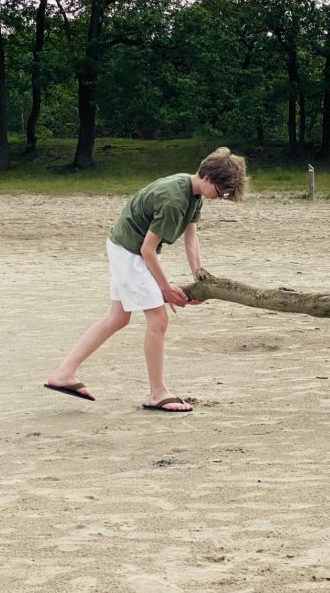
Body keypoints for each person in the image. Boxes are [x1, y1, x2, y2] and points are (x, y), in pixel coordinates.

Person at [44, 147, 248, 412]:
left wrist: (201, 280)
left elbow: (191, 238)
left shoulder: (194, 194)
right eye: (222, 192)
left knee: (117, 318)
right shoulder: (174, 198)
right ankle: (157, 393)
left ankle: (64, 374)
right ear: (208, 176)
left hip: (127, 249)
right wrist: (166, 288)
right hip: (131, 252)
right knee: (159, 319)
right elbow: (147, 250)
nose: (220, 198)